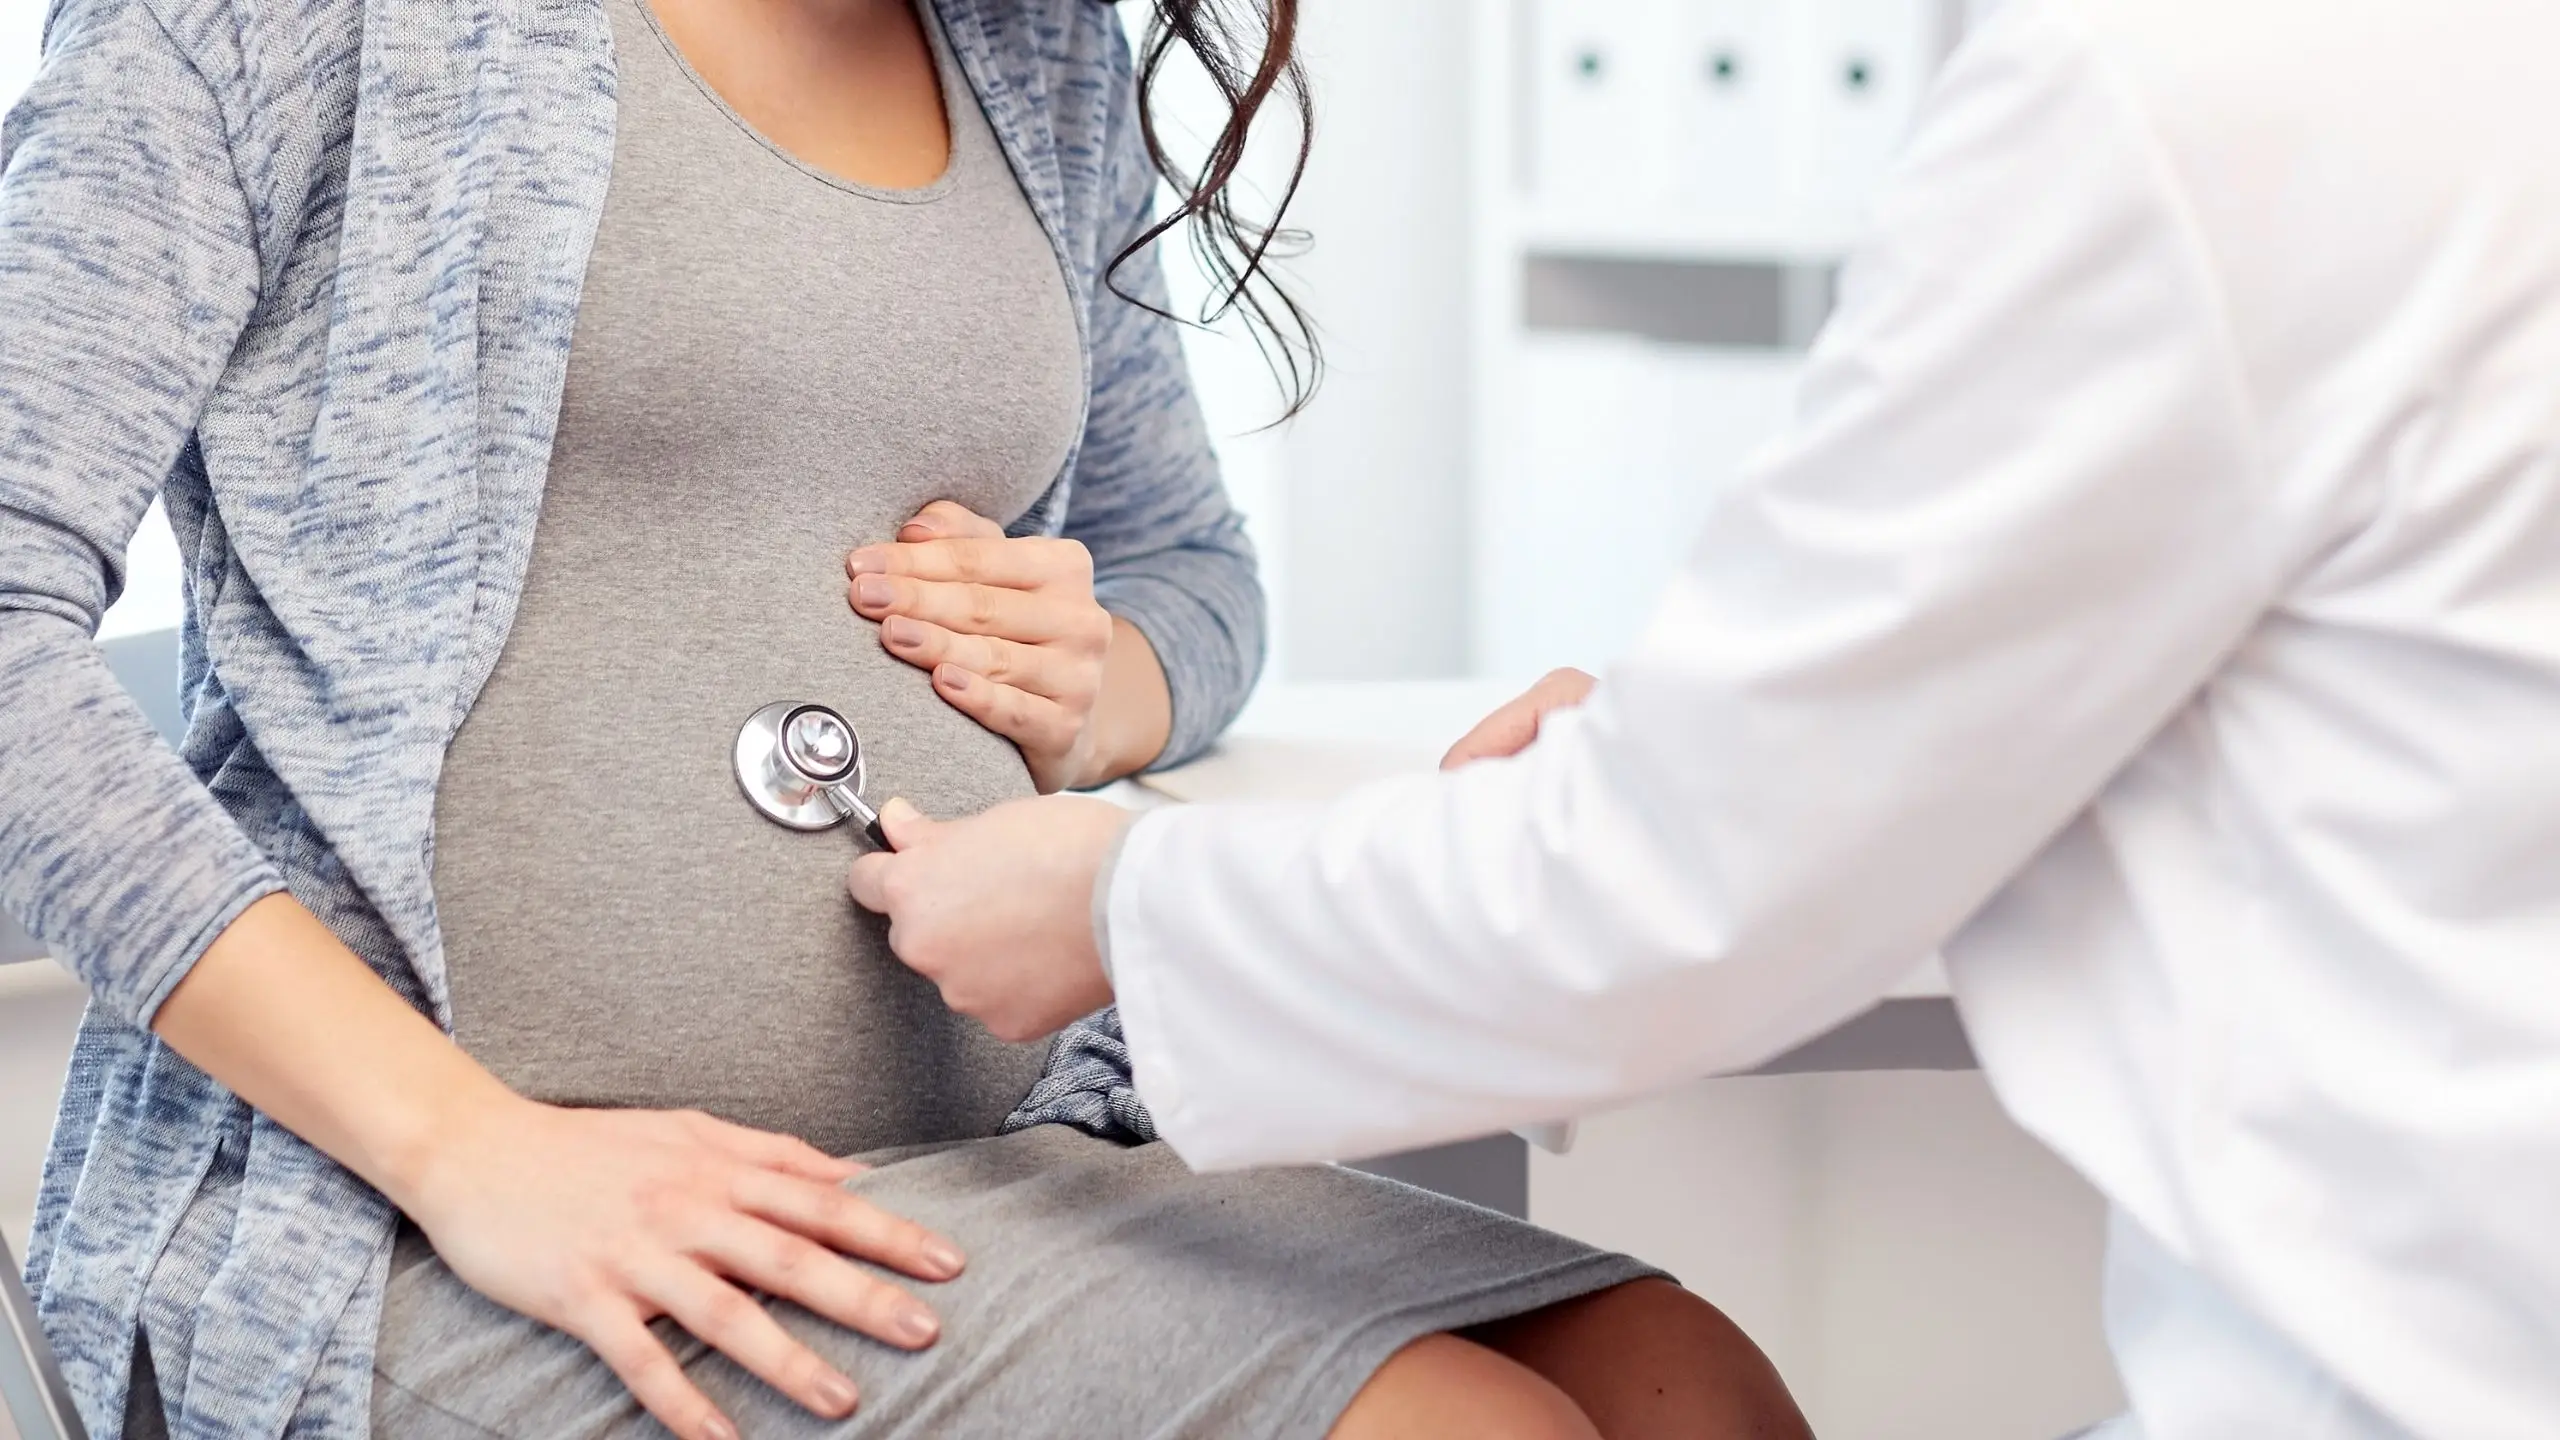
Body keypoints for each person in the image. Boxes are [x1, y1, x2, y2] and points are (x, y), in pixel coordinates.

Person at [0, 0, 1821, 1435]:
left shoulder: (1033, 51)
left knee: (1690, 1391)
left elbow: (1195, 570)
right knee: (1460, 1436)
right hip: (440, 1231)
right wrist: (466, 1154)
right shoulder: (292, 22)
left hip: (1020, 1155)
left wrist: (1092, 673)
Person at [846, 1, 2560, 1436]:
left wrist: (1112, 910)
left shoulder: (2199, 96)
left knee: (1687, 1396)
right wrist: (1729, 752)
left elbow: (1693, 880)